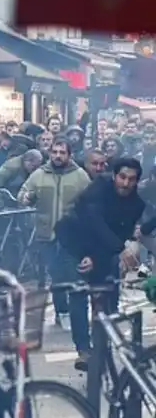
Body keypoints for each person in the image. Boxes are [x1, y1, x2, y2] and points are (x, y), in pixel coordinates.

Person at [55, 157, 145, 370]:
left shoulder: (136, 205)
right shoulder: (99, 188)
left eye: (131, 180)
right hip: (74, 243)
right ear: (114, 176)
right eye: (122, 177)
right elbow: (92, 222)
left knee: (109, 294)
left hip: (103, 250)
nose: (125, 184)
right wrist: (89, 254)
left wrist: (97, 257)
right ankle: (84, 350)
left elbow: (120, 233)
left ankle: (103, 346)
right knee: (78, 293)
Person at [19, 138, 90, 329]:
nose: (58, 156)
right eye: (55, 152)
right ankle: (62, 312)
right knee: (56, 276)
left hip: (72, 237)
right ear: (50, 153)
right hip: (46, 234)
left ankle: (76, 313)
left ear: (69, 155)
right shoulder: (39, 174)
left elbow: (92, 202)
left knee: (73, 275)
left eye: (62, 152)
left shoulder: (80, 176)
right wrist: (26, 197)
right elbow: (24, 193)